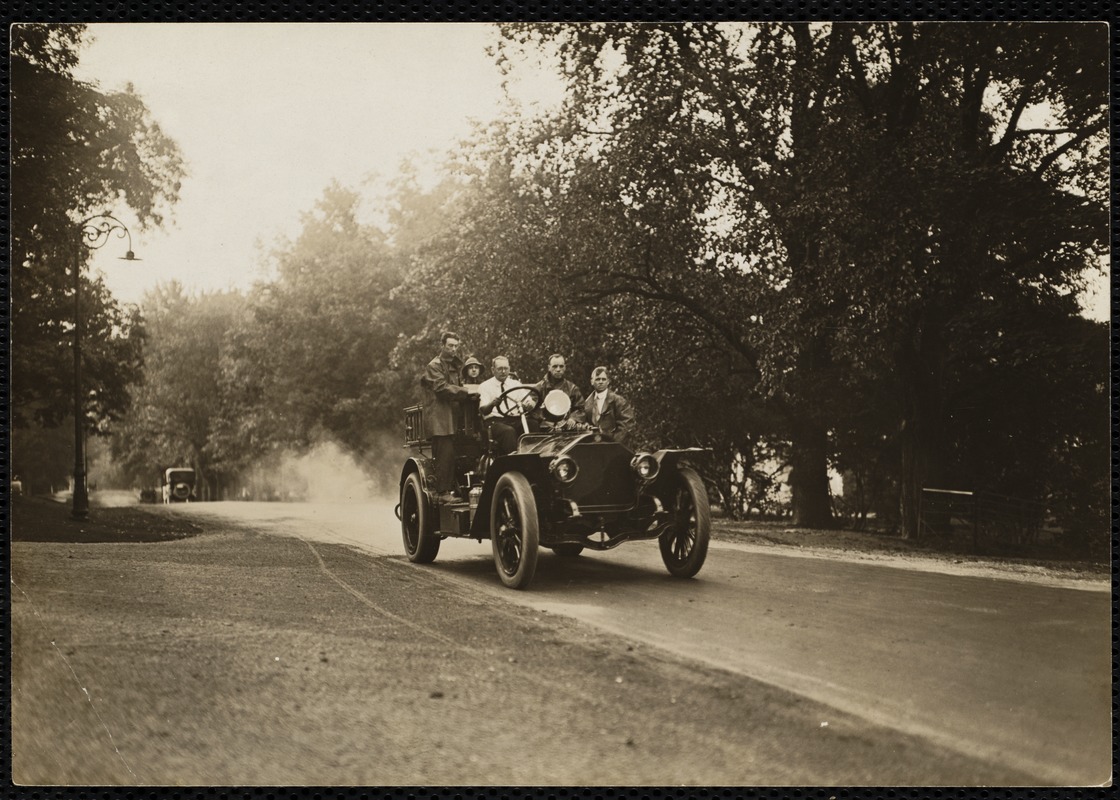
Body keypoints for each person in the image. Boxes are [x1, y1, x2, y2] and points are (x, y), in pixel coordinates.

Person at [420, 332, 478, 501]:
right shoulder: (434, 365)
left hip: (454, 416)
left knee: (464, 452)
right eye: (450, 345)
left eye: (456, 346)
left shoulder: (454, 366)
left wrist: (470, 393)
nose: (453, 349)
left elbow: (458, 387)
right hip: (440, 418)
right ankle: (442, 493)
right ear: (442, 346)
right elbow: (441, 388)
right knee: (445, 454)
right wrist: (467, 392)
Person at [478, 355, 537, 455]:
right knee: (508, 432)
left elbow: (528, 400)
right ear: (493, 370)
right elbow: (483, 410)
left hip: (514, 418)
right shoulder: (485, 386)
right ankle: (513, 462)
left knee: (533, 424)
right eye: (500, 369)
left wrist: (530, 404)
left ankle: (533, 456)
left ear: (509, 369)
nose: (503, 371)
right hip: (495, 421)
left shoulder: (515, 384)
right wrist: (492, 404)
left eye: (506, 368)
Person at [583, 366, 635, 447]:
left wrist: (613, 443)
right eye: (597, 379)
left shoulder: (618, 401)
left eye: (603, 379)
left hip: (614, 446)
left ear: (608, 381)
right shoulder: (587, 403)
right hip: (593, 446)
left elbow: (627, 425)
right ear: (592, 381)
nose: (600, 382)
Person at [532, 353, 585, 430]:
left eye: (561, 366)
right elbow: (531, 409)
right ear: (549, 368)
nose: (558, 369)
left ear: (565, 367)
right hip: (543, 427)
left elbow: (580, 408)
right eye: (555, 366)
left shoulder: (572, 388)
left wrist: (573, 418)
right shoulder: (539, 387)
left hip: (566, 427)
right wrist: (543, 418)